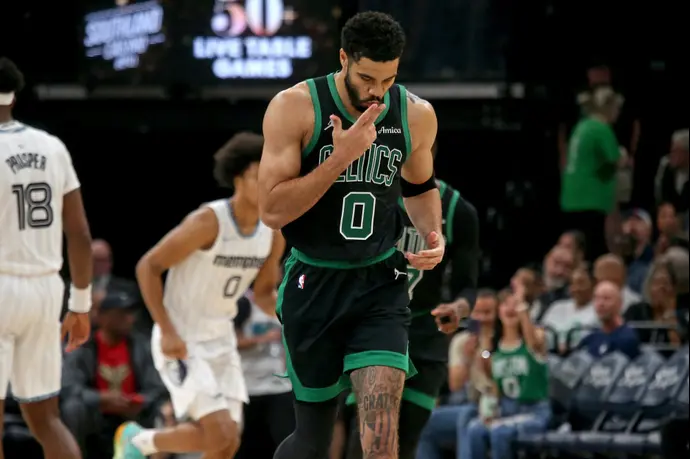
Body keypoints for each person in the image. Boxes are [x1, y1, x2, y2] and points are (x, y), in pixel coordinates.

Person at [259, 11, 446, 459]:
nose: (377, 91)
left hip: (379, 282)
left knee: (380, 438)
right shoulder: (294, 107)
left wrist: (432, 233)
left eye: (388, 79)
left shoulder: (416, 115)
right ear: (344, 59)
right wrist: (340, 158)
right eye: (366, 78)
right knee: (313, 441)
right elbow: (271, 210)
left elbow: (420, 186)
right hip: (313, 282)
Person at [114, 132, 285, 459]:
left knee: (228, 442)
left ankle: (142, 443)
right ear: (238, 179)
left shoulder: (272, 234)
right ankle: (139, 442)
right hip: (182, 336)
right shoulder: (209, 221)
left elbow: (265, 294)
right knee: (218, 432)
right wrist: (167, 330)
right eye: (257, 175)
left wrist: (297, 319)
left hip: (221, 338)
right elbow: (148, 266)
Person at [344, 175, 480, 459]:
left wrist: (457, 309)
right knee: (370, 437)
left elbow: (467, 288)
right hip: (376, 327)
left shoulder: (456, 208)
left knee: (407, 442)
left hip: (424, 333)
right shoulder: (373, 191)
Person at [0, 57, 93, 459]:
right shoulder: (52, 147)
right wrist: (80, 306)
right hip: (45, 290)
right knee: (46, 419)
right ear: (13, 95)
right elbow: (80, 234)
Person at [460, 283, 551, 459]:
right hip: (507, 411)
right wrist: (490, 412)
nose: (511, 309)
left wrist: (522, 308)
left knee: (499, 431)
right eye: (505, 304)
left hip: (534, 412)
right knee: (474, 429)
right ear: (498, 311)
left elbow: (533, 343)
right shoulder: (495, 350)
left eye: (514, 304)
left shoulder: (536, 336)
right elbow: (493, 386)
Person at [560, 86, 625, 262]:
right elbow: (615, 159)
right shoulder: (601, 128)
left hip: (572, 197)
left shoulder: (582, 126)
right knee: (594, 250)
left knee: (578, 247)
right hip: (590, 198)